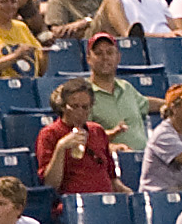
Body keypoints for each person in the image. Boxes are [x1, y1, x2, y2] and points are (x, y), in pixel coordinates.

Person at [35, 78, 119, 210]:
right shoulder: (50, 134)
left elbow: (112, 179)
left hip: (106, 203)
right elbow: (51, 184)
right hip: (74, 206)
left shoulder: (97, 131)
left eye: (85, 107)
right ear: (63, 106)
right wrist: (61, 147)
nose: (80, 112)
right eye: (74, 106)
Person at [81, 32, 154, 153]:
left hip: (145, 159)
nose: (105, 57)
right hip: (110, 161)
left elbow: (145, 103)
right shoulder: (83, 94)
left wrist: (172, 103)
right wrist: (111, 147)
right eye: (98, 53)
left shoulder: (126, 87)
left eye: (109, 53)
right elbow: (83, 136)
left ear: (118, 57)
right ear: (88, 59)